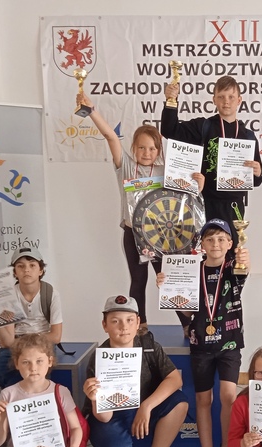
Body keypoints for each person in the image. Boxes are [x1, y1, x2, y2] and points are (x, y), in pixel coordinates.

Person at [77, 92, 200, 333]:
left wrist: (199, 182)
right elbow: (110, 136)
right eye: (142, 147)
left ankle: (188, 324)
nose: (147, 152)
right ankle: (140, 325)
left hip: (162, 236)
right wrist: (91, 111)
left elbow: (189, 196)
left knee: (168, 279)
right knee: (138, 280)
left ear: (159, 150)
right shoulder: (126, 166)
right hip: (133, 234)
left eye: (152, 148)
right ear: (134, 147)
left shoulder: (168, 171)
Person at [157, 218, 250, 447]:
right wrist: (169, 289)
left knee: (228, 397)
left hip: (230, 343)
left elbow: (245, 268)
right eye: (210, 239)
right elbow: (187, 311)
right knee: (203, 400)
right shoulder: (190, 271)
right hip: (200, 345)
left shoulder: (233, 268)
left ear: (230, 243)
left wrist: (245, 258)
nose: (215, 244)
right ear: (202, 244)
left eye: (221, 239)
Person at [83, 295, 189, 447]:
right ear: (105, 325)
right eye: (115, 321)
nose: (124, 327)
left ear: (138, 322)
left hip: (144, 406)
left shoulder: (149, 347)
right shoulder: (99, 358)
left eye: (130, 320)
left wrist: (146, 406)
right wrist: (95, 398)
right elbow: (103, 416)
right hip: (112, 415)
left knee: (179, 403)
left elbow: (175, 379)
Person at [160, 75, 262, 244]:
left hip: (233, 206)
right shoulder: (203, 127)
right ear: (214, 100)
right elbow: (169, 130)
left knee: (231, 251)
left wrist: (258, 173)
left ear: (239, 100)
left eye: (231, 97)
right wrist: (171, 101)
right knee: (204, 248)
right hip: (204, 201)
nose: (226, 101)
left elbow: (257, 180)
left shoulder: (248, 136)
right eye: (221, 97)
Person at [0, 247, 63, 388]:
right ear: (14, 272)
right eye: (21, 266)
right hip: (16, 343)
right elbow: (8, 340)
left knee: (35, 375)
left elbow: (56, 337)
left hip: (41, 343)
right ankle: (2, 401)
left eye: (32, 265)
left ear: (41, 270)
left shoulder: (51, 294)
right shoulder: (8, 296)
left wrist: (25, 341)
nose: (26, 270)